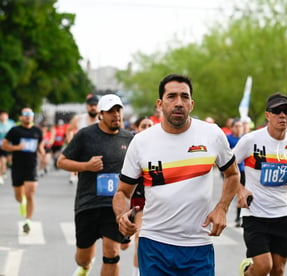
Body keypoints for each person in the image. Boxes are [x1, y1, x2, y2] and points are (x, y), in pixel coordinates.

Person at [112, 74, 240, 276]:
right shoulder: (141, 142)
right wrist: (121, 216)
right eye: (172, 97)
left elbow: (232, 174)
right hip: (154, 244)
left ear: (192, 104)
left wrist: (222, 208)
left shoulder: (212, 135)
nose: (179, 103)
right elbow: (122, 192)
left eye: (184, 97)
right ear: (160, 104)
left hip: (198, 245)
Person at [234, 93, 287, 276]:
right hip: (255, 214)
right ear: (268, 115)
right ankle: (248, 272)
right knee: (263, 267)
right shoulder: (251, 140)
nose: (282, 115)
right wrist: (240, 189)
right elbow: (228, 166)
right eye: (277, 111)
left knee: (278, 270)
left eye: (286, 111)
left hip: (282, 213)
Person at [57, 94, 133, 276]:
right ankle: (85, 265)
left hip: (115, 204)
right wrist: (86, 166)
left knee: (112, 252)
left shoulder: (129, 139)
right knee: (83, 257)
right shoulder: (85, 135)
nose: (116, 115)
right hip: (88, 203)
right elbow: (61, 161)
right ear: (100, 114)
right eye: (110, 111)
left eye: (118, 110)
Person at [1, 107, 45, 234]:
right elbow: (4, 145)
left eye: (30, 113)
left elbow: (40, 145)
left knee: (30, 194)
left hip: (31, 166)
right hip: (17, 167)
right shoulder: (15, 130)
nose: (28, 116)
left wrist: (42, 152)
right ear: (20, 117)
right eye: (25, 114)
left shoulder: (37, 131)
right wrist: (17, 147)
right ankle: (22, 202)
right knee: (19, 196)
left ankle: (28, 221)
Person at [129, 116, 153, 276]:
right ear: (137, 128)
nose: (147, 129)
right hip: (134, 198)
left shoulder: (161, 145)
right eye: (144, 126)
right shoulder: (132, 146)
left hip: (153, 199)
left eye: (150, 125)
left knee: (143, 238)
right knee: (130, 241)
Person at [66, 94, 100, 184]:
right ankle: (73, 174)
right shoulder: (79, 119)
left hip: (98, 151)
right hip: (82, 150)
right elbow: (69, 130)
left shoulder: (102, 120)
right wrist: (71, 143)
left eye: (95, 105)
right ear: (87, 106)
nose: (93, 108)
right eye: (91, 105)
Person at [226, 118, 245, 227]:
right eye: (236, 126)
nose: (239, 128)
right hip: (232, 171)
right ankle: (237, 216)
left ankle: (241, 217)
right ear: (232, 128)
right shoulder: (228, 139)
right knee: (237, 195)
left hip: (244, 171)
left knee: (243, 195)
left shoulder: (245, 139)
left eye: (240, 126)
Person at [0, 109, 15, 185]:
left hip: (8, 145)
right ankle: (1, 176)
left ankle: (3, 172)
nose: (3, 117)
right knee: (2, 161)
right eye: (1, 115)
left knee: (6, 161)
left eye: (4, 115)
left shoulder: (11, 123)